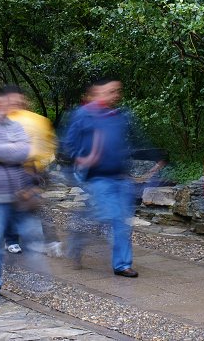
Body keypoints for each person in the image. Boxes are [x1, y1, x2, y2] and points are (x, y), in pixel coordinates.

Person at [63, 78, 152, 278]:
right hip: (98, 177)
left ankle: (122, 264)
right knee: (108, 216)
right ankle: (78, 236)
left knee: (122, 221)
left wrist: (156, 157)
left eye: (117, 91)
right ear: (97, 92)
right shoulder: (83, 115)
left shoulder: (120, 115)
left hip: (121, 176)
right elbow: (68, 144)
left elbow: (136, 141)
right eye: (110, 91)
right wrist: (82, 158)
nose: (115, 95)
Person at [0, 87, 49, 301]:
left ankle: (34, 278)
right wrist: (10, 150)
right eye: (1, 104)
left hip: (18, 193)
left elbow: (24, 151)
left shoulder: (16, 126)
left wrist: (3, 151)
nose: (6, 108)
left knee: (32, 237)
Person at [5, 87, 58, 255]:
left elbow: (48, 143)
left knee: (34, 204)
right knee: (12, 206)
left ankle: (47, 240)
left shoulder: (37, 120)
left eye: (19, 99)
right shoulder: (2, 120)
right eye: (12, 99)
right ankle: (12, 239)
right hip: (10, 170)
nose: (16, 103)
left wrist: (43, 164)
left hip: (32, 170)